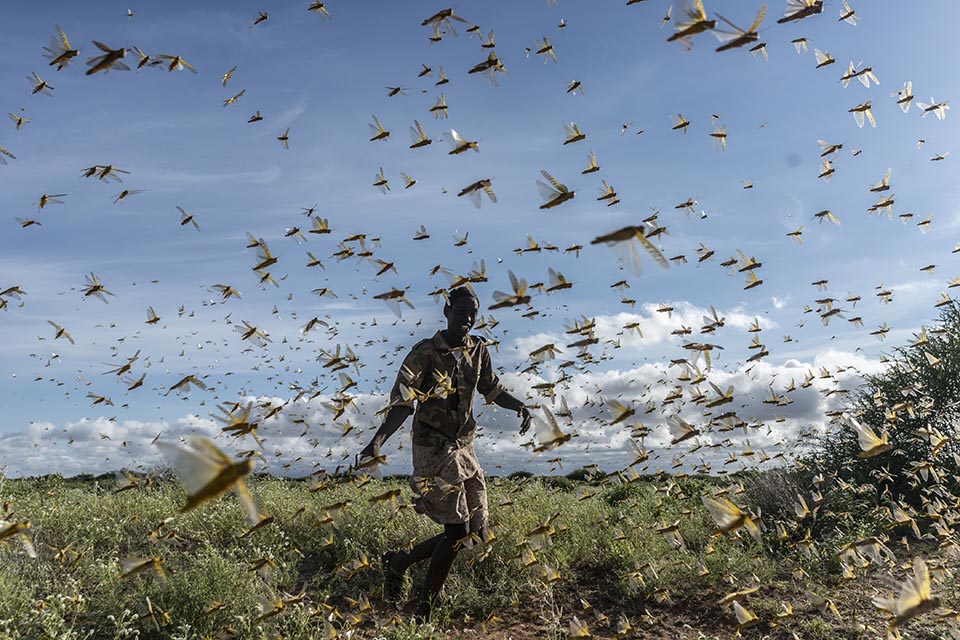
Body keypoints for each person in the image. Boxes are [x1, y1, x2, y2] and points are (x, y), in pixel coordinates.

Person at [357, 285, 531, 619]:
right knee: (457, 530)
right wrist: (377, 441)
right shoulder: (425, 353)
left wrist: (519, 406)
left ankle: (397, 562)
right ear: (446, 311)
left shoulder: (479, 350)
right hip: (432, 448)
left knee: (476, 533)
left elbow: (490, 388)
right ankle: (424, 610)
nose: (467, 318)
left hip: (463, 446)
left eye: (473, 312)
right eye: (461, 310)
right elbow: (403, 403)